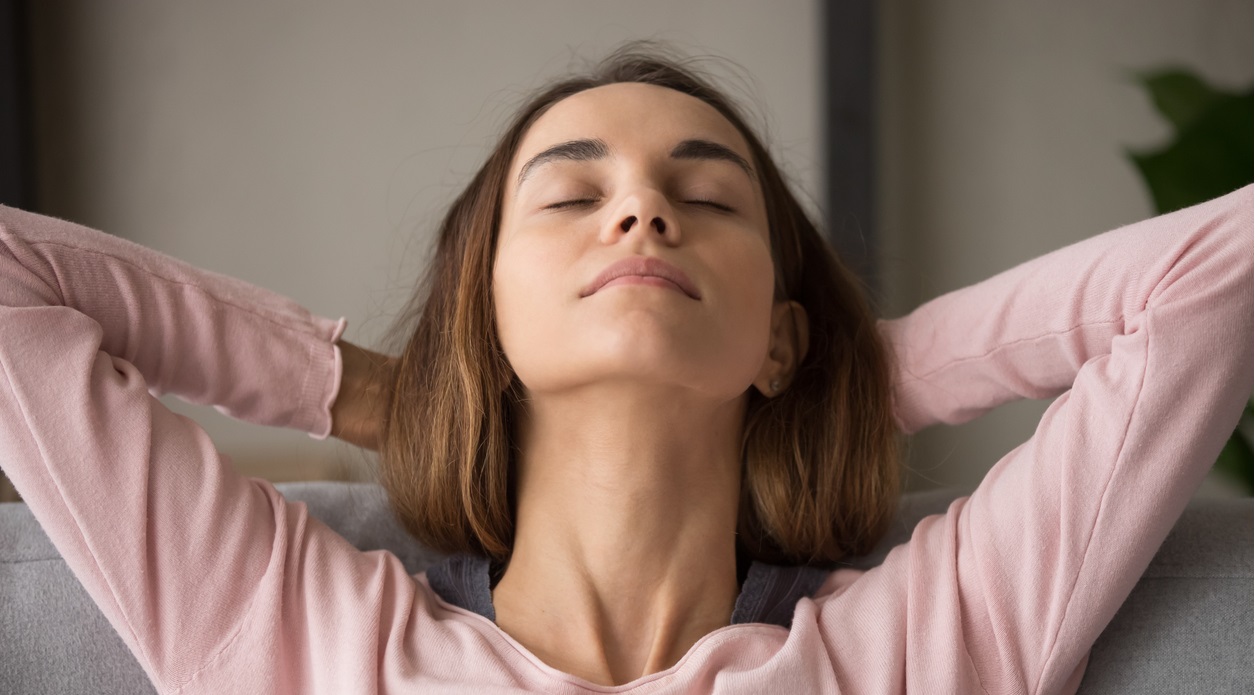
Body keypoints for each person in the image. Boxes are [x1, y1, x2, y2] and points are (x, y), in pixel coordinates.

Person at [0, 45, 1250, 694]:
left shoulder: (923, 647)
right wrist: (394, 396)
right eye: (573, 193)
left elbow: (1211, 278)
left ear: (780, 330)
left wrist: (843, 389)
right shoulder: (296, 638)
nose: (643, 210)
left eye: (708, 195)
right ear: (481, 320)